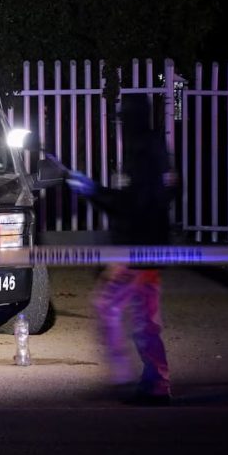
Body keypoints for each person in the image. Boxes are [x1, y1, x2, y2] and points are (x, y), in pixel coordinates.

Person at [66, 94, 177, 406]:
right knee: (142, 317)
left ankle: (129, 377)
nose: (121, 127)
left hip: (138, 250)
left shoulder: (143, 151)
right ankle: (154, 383)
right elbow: (161, 195)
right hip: (146, 247)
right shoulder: (154, 148)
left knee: (111, 307)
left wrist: (94, 191)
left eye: (124, 120)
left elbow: (133, 204)